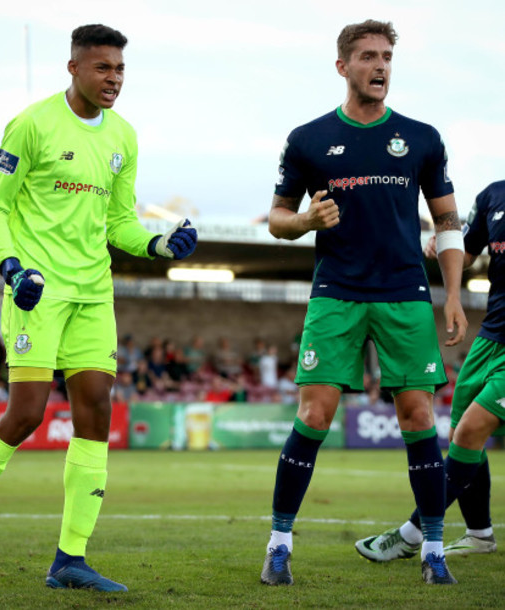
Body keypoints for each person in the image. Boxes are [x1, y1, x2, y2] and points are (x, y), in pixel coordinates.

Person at [0, 23, 197, 594]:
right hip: (36, 291)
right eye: (102, 68)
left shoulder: (124, 136)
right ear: (73, 68)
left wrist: (157, 243)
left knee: (96, 410)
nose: (113, 79)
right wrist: (13, 269)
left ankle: (70, 557)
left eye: (120, 69)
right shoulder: (31, 124)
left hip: (94, 293)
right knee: (25, 415)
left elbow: (119, 221)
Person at [260, 19, 467, 587]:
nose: (380, 67)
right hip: (337, 292)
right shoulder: (308, 139)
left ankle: (432, 549)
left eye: (387, 58)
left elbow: (448, 221)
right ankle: (279, 544)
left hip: (405, 293)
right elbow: (278, 218)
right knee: (314, 414)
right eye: (369, 57)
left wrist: (451, 294)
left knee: (419, 416)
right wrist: (304, 220)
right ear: (343, 66)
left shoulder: (421, 138)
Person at [355, 180, 505, 561]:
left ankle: (410, 533)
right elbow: (468, 252)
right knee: (459, 435)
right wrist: (444, 246)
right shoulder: (494, 195)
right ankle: (480, 534)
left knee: (471, 430)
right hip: (491, 337)